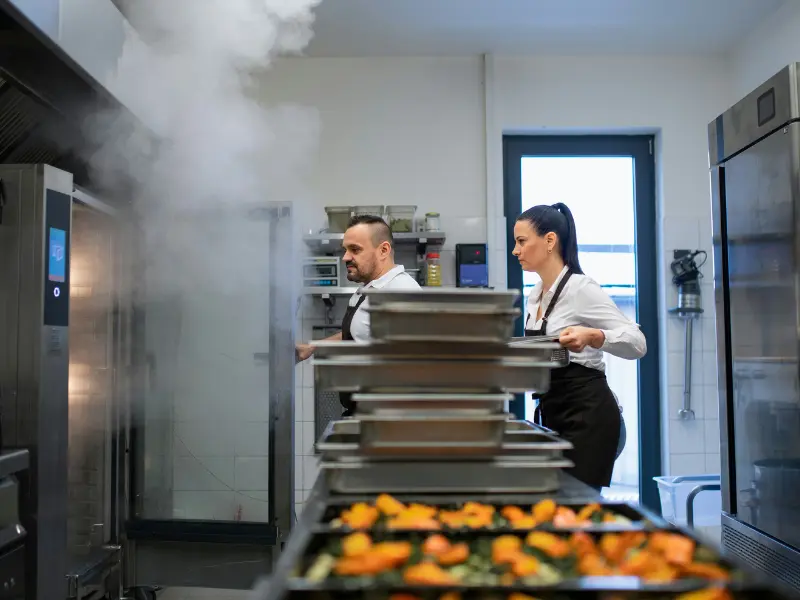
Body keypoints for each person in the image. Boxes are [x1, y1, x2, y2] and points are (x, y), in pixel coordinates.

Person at [512, 202, 646, 490]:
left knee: (577, 513)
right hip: (554, 413)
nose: (516, 251)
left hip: (589, 418)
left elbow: (637, 342)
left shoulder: (580, 288)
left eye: (521, 241)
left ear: (550, 241)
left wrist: (594, 336)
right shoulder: (535, 296)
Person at [296, 214, 420, 415]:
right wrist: (313, 347)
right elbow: (361, 331)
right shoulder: (371, 287)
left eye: (355, 250)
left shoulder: (401, 292)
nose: (345, 257)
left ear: (383, 250)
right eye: (345, 249)